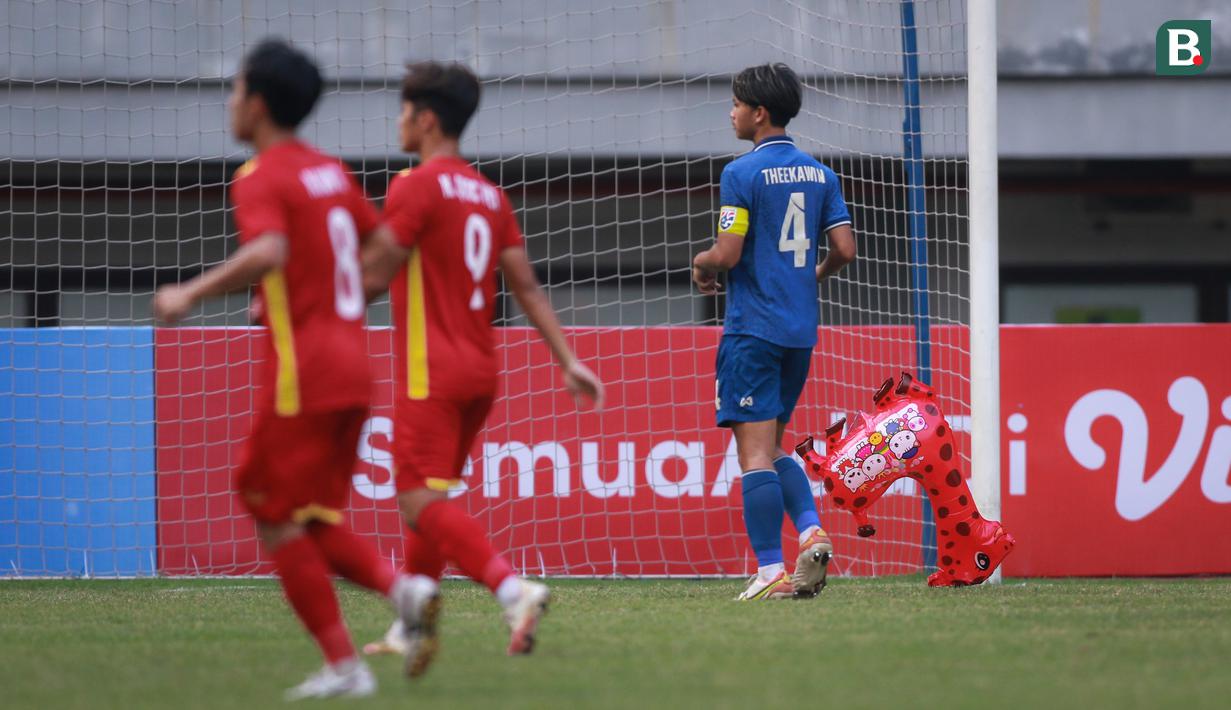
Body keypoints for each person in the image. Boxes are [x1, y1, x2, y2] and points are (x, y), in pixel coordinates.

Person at [152, 38, 419, 699]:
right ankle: (405, 593)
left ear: (259, 103)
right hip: (355, 366)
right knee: (307, 515)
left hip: (305, 374)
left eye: (237, 89)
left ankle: (347, 664)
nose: (230, 101)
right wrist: (327, 290)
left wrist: (188, 293)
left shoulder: (260, 175)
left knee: (261, 497)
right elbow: (387, 246)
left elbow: (269, 248)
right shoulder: (328, 171)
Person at [359, 61, 604, 675]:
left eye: (403, 110)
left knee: (418, 501)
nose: (398, 121)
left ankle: (511, 590)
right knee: (432, 496)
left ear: (427, 118)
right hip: (480, 371)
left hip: (430, 371)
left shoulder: (413, 187)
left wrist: (304, 300)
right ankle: (409, 625)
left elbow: (375, 272)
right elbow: (526, 288)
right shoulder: (489, 195)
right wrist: (568, 360)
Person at [692, 63, 857, 601]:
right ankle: (810, 529)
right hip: (799, 330)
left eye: (737, 103)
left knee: (753, 455)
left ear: (759, 113)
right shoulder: (820, 174)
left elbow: (728, 252)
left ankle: (768, 571)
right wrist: (813, 276)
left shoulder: (740, 174)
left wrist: (702, 262)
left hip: (752, 329)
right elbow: (846, 250)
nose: (732, 112)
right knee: (775, 443)